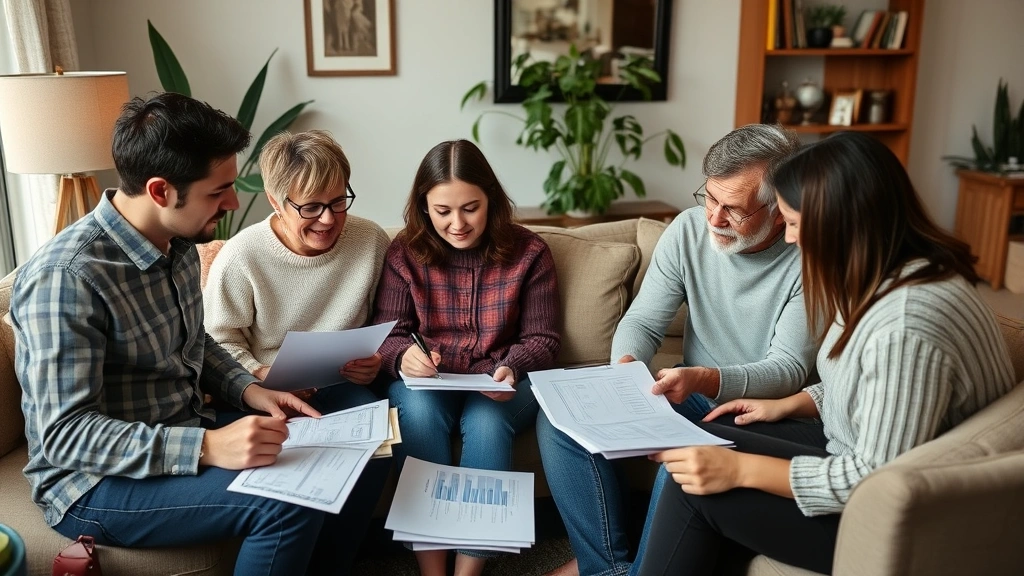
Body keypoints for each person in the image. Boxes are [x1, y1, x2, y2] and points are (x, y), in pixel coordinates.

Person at [634, 131, 1016, 576]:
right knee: (700, 444)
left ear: (839, 223)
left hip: (898, 519)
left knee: (692, 485)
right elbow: (864, 385)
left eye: (793, 222)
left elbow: (873, 480)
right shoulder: (885, 274)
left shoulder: (906, 323)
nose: (789, 239)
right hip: (851, 456)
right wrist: (791, 404)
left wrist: (739, 470)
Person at [11, 93, 335, 576]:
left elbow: (194, 341)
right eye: (218, 190)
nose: (231, 203)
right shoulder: (68, 278)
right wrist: (207, 448)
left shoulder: (179, 243)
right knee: (287, 501)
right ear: (161, 191)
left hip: (185, 423)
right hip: (94, 483)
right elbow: (64, 436)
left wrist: (251, 389)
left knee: (355, 444)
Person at [537, 124, 817, 576]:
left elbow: (787, 368)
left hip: (754, 412)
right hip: (687, 392)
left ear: (778, 208)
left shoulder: (807, 256)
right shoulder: (688, 231)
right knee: (559, 423)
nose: (714, 219)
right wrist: (625, 369)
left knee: (685, 455)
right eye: (709, 197)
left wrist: (707, 379)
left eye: (733, 209)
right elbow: (644, 321)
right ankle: (609, 569)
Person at [202, 129, 392, 572]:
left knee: (377, 444)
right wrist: (260, 373)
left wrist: (376, 362)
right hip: (261, 390)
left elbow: (389, 321)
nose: (328, 219)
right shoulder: (242, 256)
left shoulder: (371, 241)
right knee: (287, 460)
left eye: (338, 201)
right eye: (310, 207)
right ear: (275, 200)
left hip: (341, 385)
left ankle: (336, 563)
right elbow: (216, 343)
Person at [372, 139, 560, 576]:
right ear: (424, 207)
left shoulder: (529, 253)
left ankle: (469, 571)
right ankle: (433, 569)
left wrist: (512, 365)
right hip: (430, 383)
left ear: (491, 199)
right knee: (415, 415)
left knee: (487, 423)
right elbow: (389, 335)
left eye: (470, 208)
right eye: (442, 212)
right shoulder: (405, 251)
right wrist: (403, 359)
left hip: (500, 381)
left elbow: (544, 339)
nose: (457, 224)